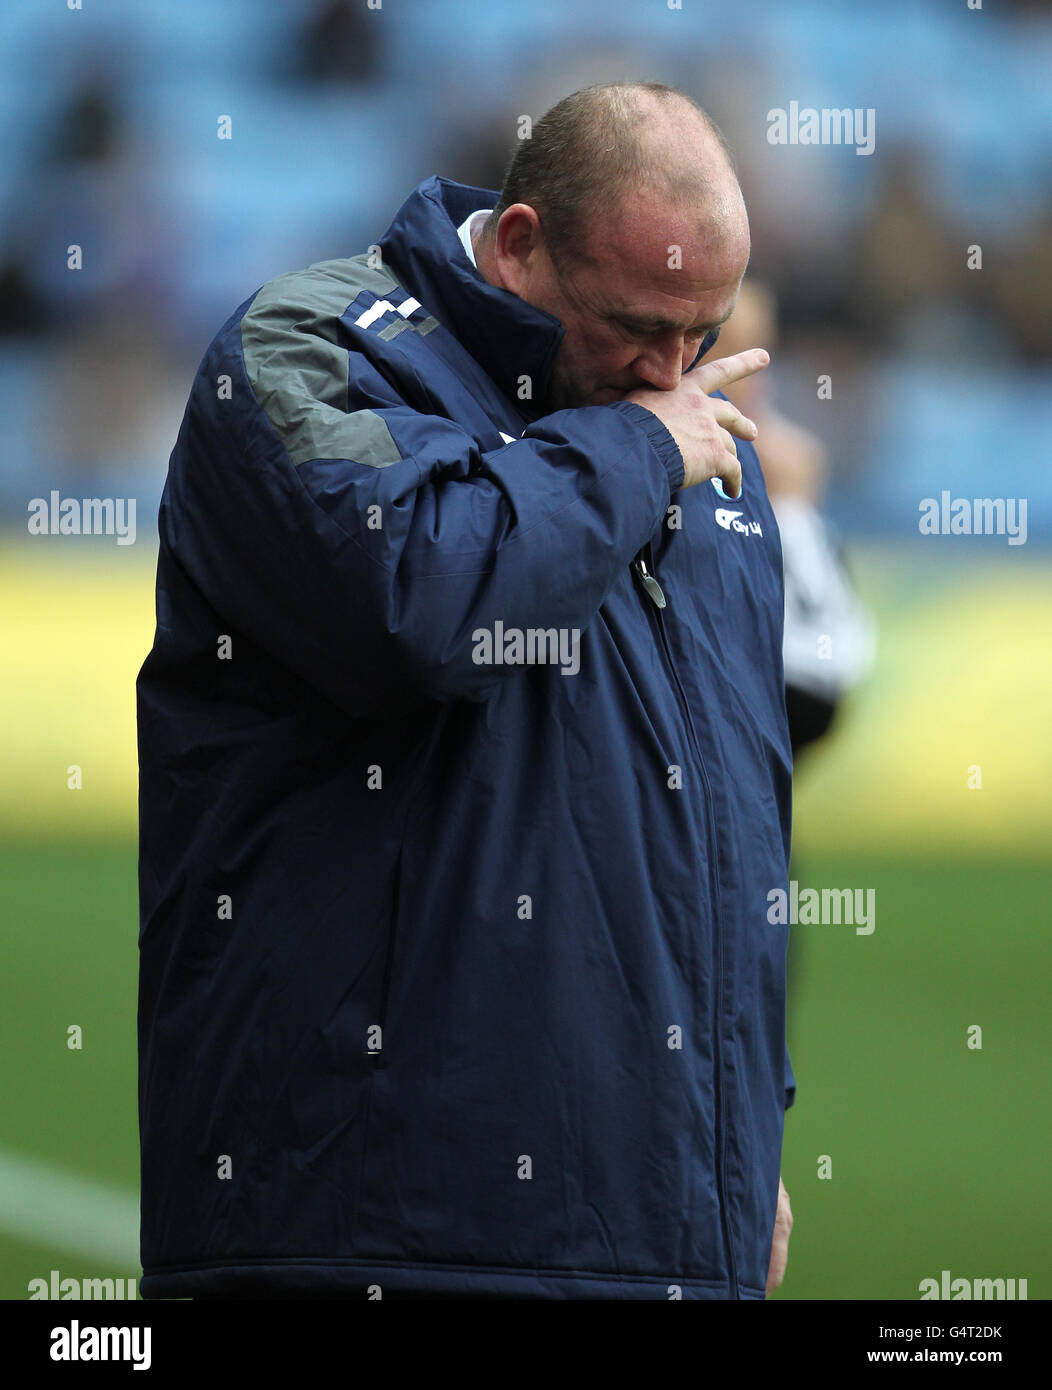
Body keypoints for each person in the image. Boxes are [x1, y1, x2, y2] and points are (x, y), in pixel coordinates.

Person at [137, 80, 795, 1300]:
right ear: (520, 238)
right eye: (635, 324)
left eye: (697, 336)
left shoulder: (695, 446)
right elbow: (426, 604)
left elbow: (736, 811)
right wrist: (640, 449)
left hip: (659, 1229)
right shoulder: (312, 350)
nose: (669, 368)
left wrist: (739, 1125)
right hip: (372, 1221)